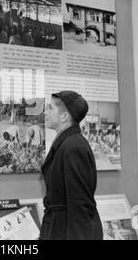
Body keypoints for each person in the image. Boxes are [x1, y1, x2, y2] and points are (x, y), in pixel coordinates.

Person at [39, 90, 103, 240]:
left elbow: (80, 206)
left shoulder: (74, 148)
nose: (45, 112)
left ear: (64, 116)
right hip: (59, 227)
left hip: (69, 231)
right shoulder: (66, 143)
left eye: (50, 108)